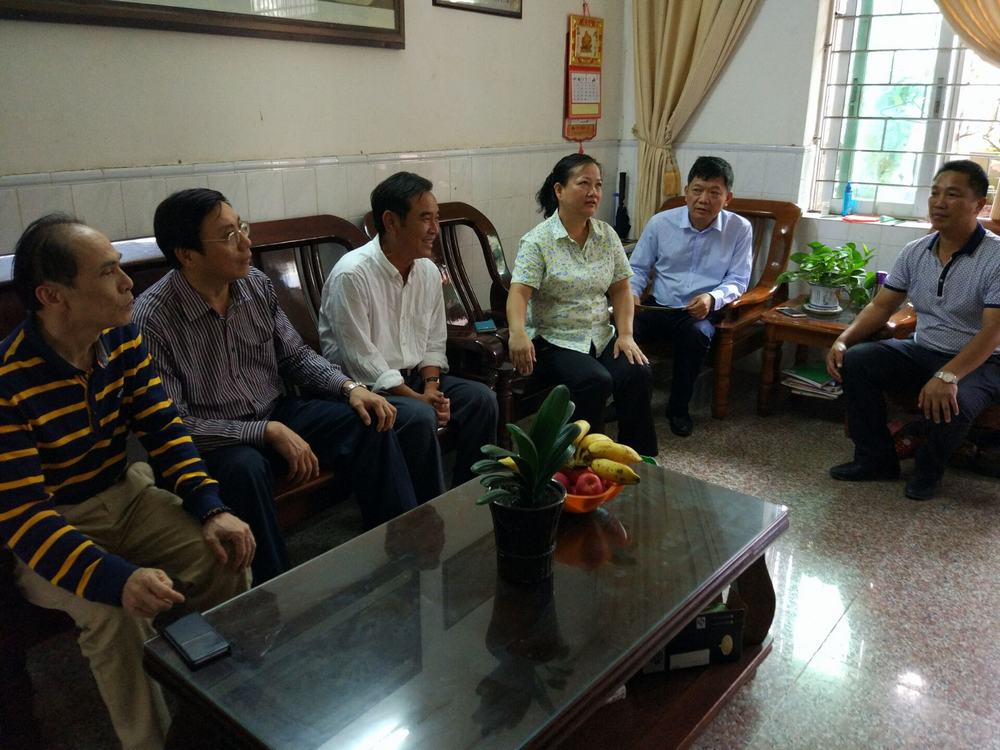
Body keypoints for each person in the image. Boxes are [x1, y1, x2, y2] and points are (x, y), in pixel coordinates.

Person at [1, 214, 254, 750]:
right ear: (53, 296)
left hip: (126, 493)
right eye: (107, 272)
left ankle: (223, 712)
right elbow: (26, 517)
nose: (127, 282)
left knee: (225, 555)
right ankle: (151, 741)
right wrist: (117, 578)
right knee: (117, 610)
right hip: (51, 527)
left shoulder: (120, 337)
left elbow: (163, 428)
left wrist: (211, 507)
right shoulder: (7, 381)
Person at [133, 189, 438, 586]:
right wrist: (265, 431)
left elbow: (296, 357)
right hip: (218, 441)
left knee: (369, 420)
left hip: (276, 412)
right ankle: (273, 593)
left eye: (242, 227)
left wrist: (349, 388)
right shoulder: (153, 319)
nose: (246, 242)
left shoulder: (255, 286)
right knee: (245, 468)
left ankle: (400, 554)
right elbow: (175, 425)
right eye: (228, 236)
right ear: (187, 254)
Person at [826, 160, 1000, 501]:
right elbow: (882, 306)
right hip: (924, 349)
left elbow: (993, 332)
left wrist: (948, 375)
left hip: (985, 361)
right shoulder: (916, 251)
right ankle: (875, 460)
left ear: (979, 204)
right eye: (935, 193)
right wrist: (844, 339)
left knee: (956, 399)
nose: (939, 202)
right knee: (858, 361)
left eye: (952, 195)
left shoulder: (995, 257)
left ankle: (928, 471)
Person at [318, 172, 498, 486]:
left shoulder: (427, 270)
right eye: (425, 218)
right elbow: (361, 360)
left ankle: (471, 495)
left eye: (436, 218)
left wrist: (430, 389)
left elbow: (433, 341)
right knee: (420, 416)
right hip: (364, 391)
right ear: (391, 222)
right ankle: (429, 508)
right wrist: (415, 398)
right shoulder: (352, 275)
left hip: (414, 380)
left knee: (481, 400)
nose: (435, 229)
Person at [507, 153, 657, 456]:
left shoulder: (606, 235)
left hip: (600, 335)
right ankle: (583, 460)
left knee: (638, 371)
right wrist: (517, 332)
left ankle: (637, 458)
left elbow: (622, 289)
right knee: (594, 381)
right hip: (555, 339)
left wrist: (626, 334)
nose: (593, 192)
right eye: (584, 183)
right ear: (559, 190)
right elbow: (519, 293)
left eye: (598, 185)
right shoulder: (538, 241)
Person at [628, 156, 752, 437]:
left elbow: (738, 279)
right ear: (686, 192)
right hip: (658, 306)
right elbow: (637, 268)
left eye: (714, 192)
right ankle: (628, 401)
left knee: (696, 335)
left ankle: (678, 409)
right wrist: (632, 294)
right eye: (697, 190)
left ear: (728, 198)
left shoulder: (739, 229)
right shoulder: (661, 223)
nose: (704, 199)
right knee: (623, 328)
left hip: (699, 312)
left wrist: (712, 298)